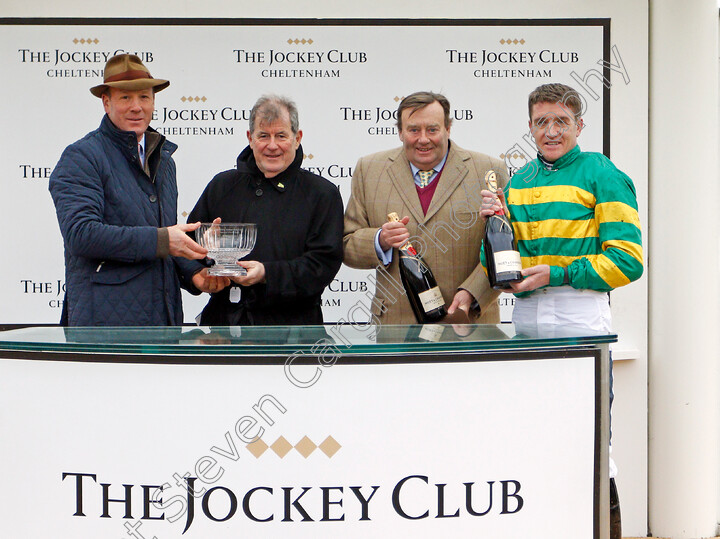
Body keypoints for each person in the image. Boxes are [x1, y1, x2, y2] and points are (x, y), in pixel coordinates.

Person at [480, 83, 644, 539]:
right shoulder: (519, 181)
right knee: (535, 434)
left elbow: (628, 261)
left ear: (579, 125)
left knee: (590, 439)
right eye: (541, 122)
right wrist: (492, 225)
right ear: (530, 126)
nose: (550, 131)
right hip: (527, 317)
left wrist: (558, 273)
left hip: (581, 314)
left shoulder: (603, 173)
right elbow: (498, 262)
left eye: (561, 122)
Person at [49, 53, 228, 326]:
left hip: (163, 326)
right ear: (106, 102)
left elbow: (162, 236)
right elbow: (81, 234)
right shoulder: (82, 157)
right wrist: (164, 241)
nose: (137, 107)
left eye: (144, 97)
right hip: (105, 330)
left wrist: (195, 275)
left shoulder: (164, 161)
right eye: (125, 98)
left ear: (154, 102)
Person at [343, 91, 508, 324]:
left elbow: (508, 248)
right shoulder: (368, 170)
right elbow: (347, 245)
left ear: (448, 128)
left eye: (432, 129)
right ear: (400, 132)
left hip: (468, 321)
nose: (423, 139)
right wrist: (380, 240)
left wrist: (474, 293)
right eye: (413, 130)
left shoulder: (490, 170)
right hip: (396, 326)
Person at [186, 95, 344, 325]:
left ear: (297, 138)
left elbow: (323, 265)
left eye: (281, 136)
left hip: (293, 332)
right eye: (263, 136)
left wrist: (266, 274)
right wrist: (199, 268)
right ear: (250, 139)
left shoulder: (322, 193)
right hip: (224, 328)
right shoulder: (222, 186)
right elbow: (186, 246)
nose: (272, 145)